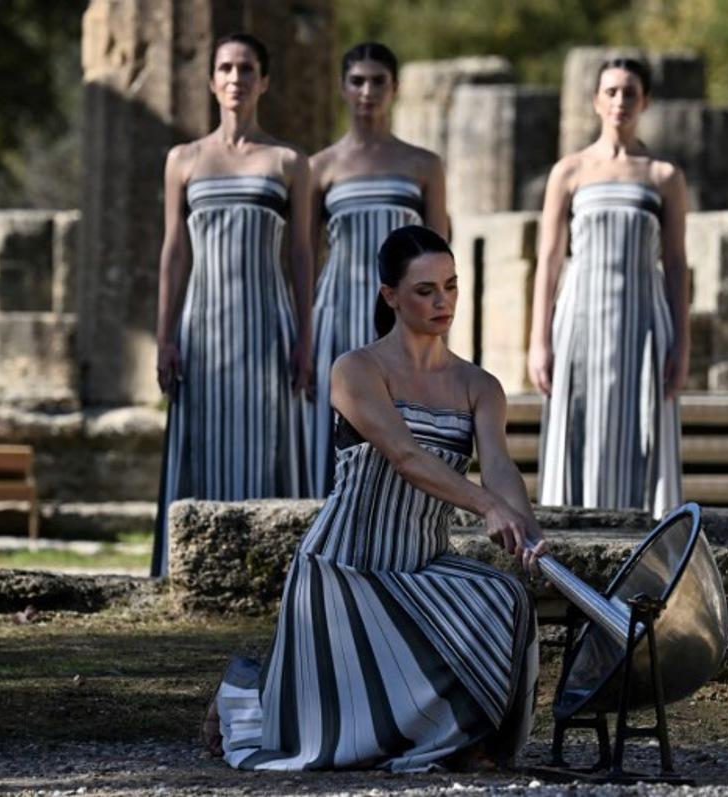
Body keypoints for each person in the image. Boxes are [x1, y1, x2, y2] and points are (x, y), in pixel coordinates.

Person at [203, 225, 545, 771]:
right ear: (390, 295)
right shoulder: (356, 369)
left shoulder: (479, 385)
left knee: (505, 597)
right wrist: (485, 506)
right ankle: (246, 699)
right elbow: (406, 457)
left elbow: (500, 469)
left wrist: (526, 530)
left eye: (451, 286)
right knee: (331, 741)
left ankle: (466, 741)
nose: (443, 301)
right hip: (343, 569)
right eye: (425, 290)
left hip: (421, 563)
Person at [151, 33, 313, 578]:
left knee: (267, 440)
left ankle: (272, 572)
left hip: (268, 323)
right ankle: (193, 570)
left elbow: (301, 253)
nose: (236, 78)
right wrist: (165, 336)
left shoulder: (289, 162)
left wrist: (306, 337)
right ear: (212, 80)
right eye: (226, 68)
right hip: (201, 327)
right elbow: (174, 252)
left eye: (247, 68)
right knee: (201, 440)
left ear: (263, 80)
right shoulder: (184, 159)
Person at [528, 57, 687, 517]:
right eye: (612, 91)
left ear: (645, 101)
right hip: (579, 316)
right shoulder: (570, 171)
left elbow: (676, 263)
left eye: (630, 92)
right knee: (576, 423)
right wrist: (539, 341)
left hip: (644, 321)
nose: (621, 101)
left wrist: (683, 344)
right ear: (597, 100)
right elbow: (550, 261)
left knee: (642, 430)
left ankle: (644, 543)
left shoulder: (664, 176)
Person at [308, 42, 449, 496]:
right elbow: (307, 255)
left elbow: (440, 252)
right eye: (357, 81)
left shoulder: (424, 165)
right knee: (336, 430)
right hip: (337, 309)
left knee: (405, 426)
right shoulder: (320, 166)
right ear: (343, 88)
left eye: (378, 81)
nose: (367, 91)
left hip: (400, 317)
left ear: (395, 89)